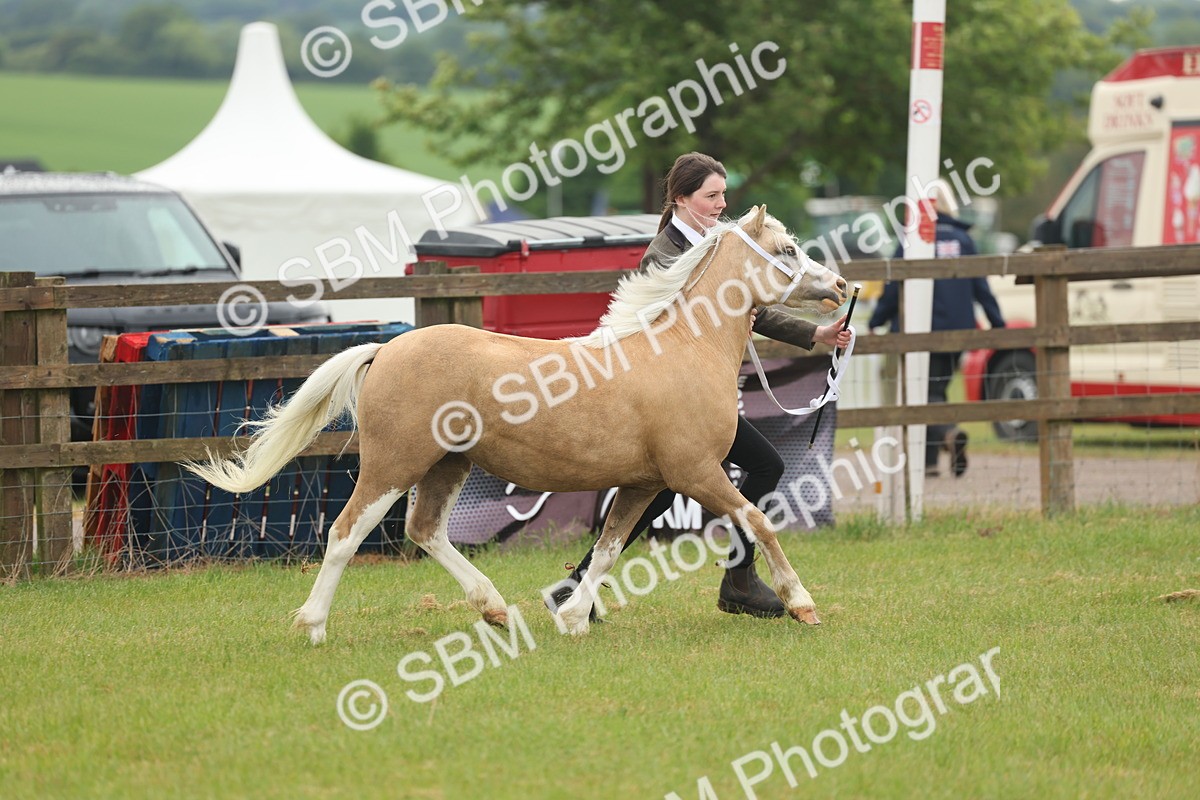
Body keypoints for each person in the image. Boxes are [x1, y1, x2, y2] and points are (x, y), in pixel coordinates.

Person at [546, 152, 851, 620]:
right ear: (680, 200)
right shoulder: (664, 252)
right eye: (711, 196)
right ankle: (735, 581)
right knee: (681, 485)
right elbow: (660, 323)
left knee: (749, 469)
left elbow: (754, 303)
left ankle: (732, 578)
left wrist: (816, 333)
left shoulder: (719, 244)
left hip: (695, 398)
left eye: (723, 195)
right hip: (666, 397)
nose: (720, 204)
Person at [867, 188, 1006, 477]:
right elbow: (981, 286)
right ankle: (929, 463)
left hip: (919, 330)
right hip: (957, 331)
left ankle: (948, 434)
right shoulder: (964, 240)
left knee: (922, 393)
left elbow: (893, 287)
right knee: (936, 390)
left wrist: (877, 318)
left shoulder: (914, 240)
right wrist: (998, 325)